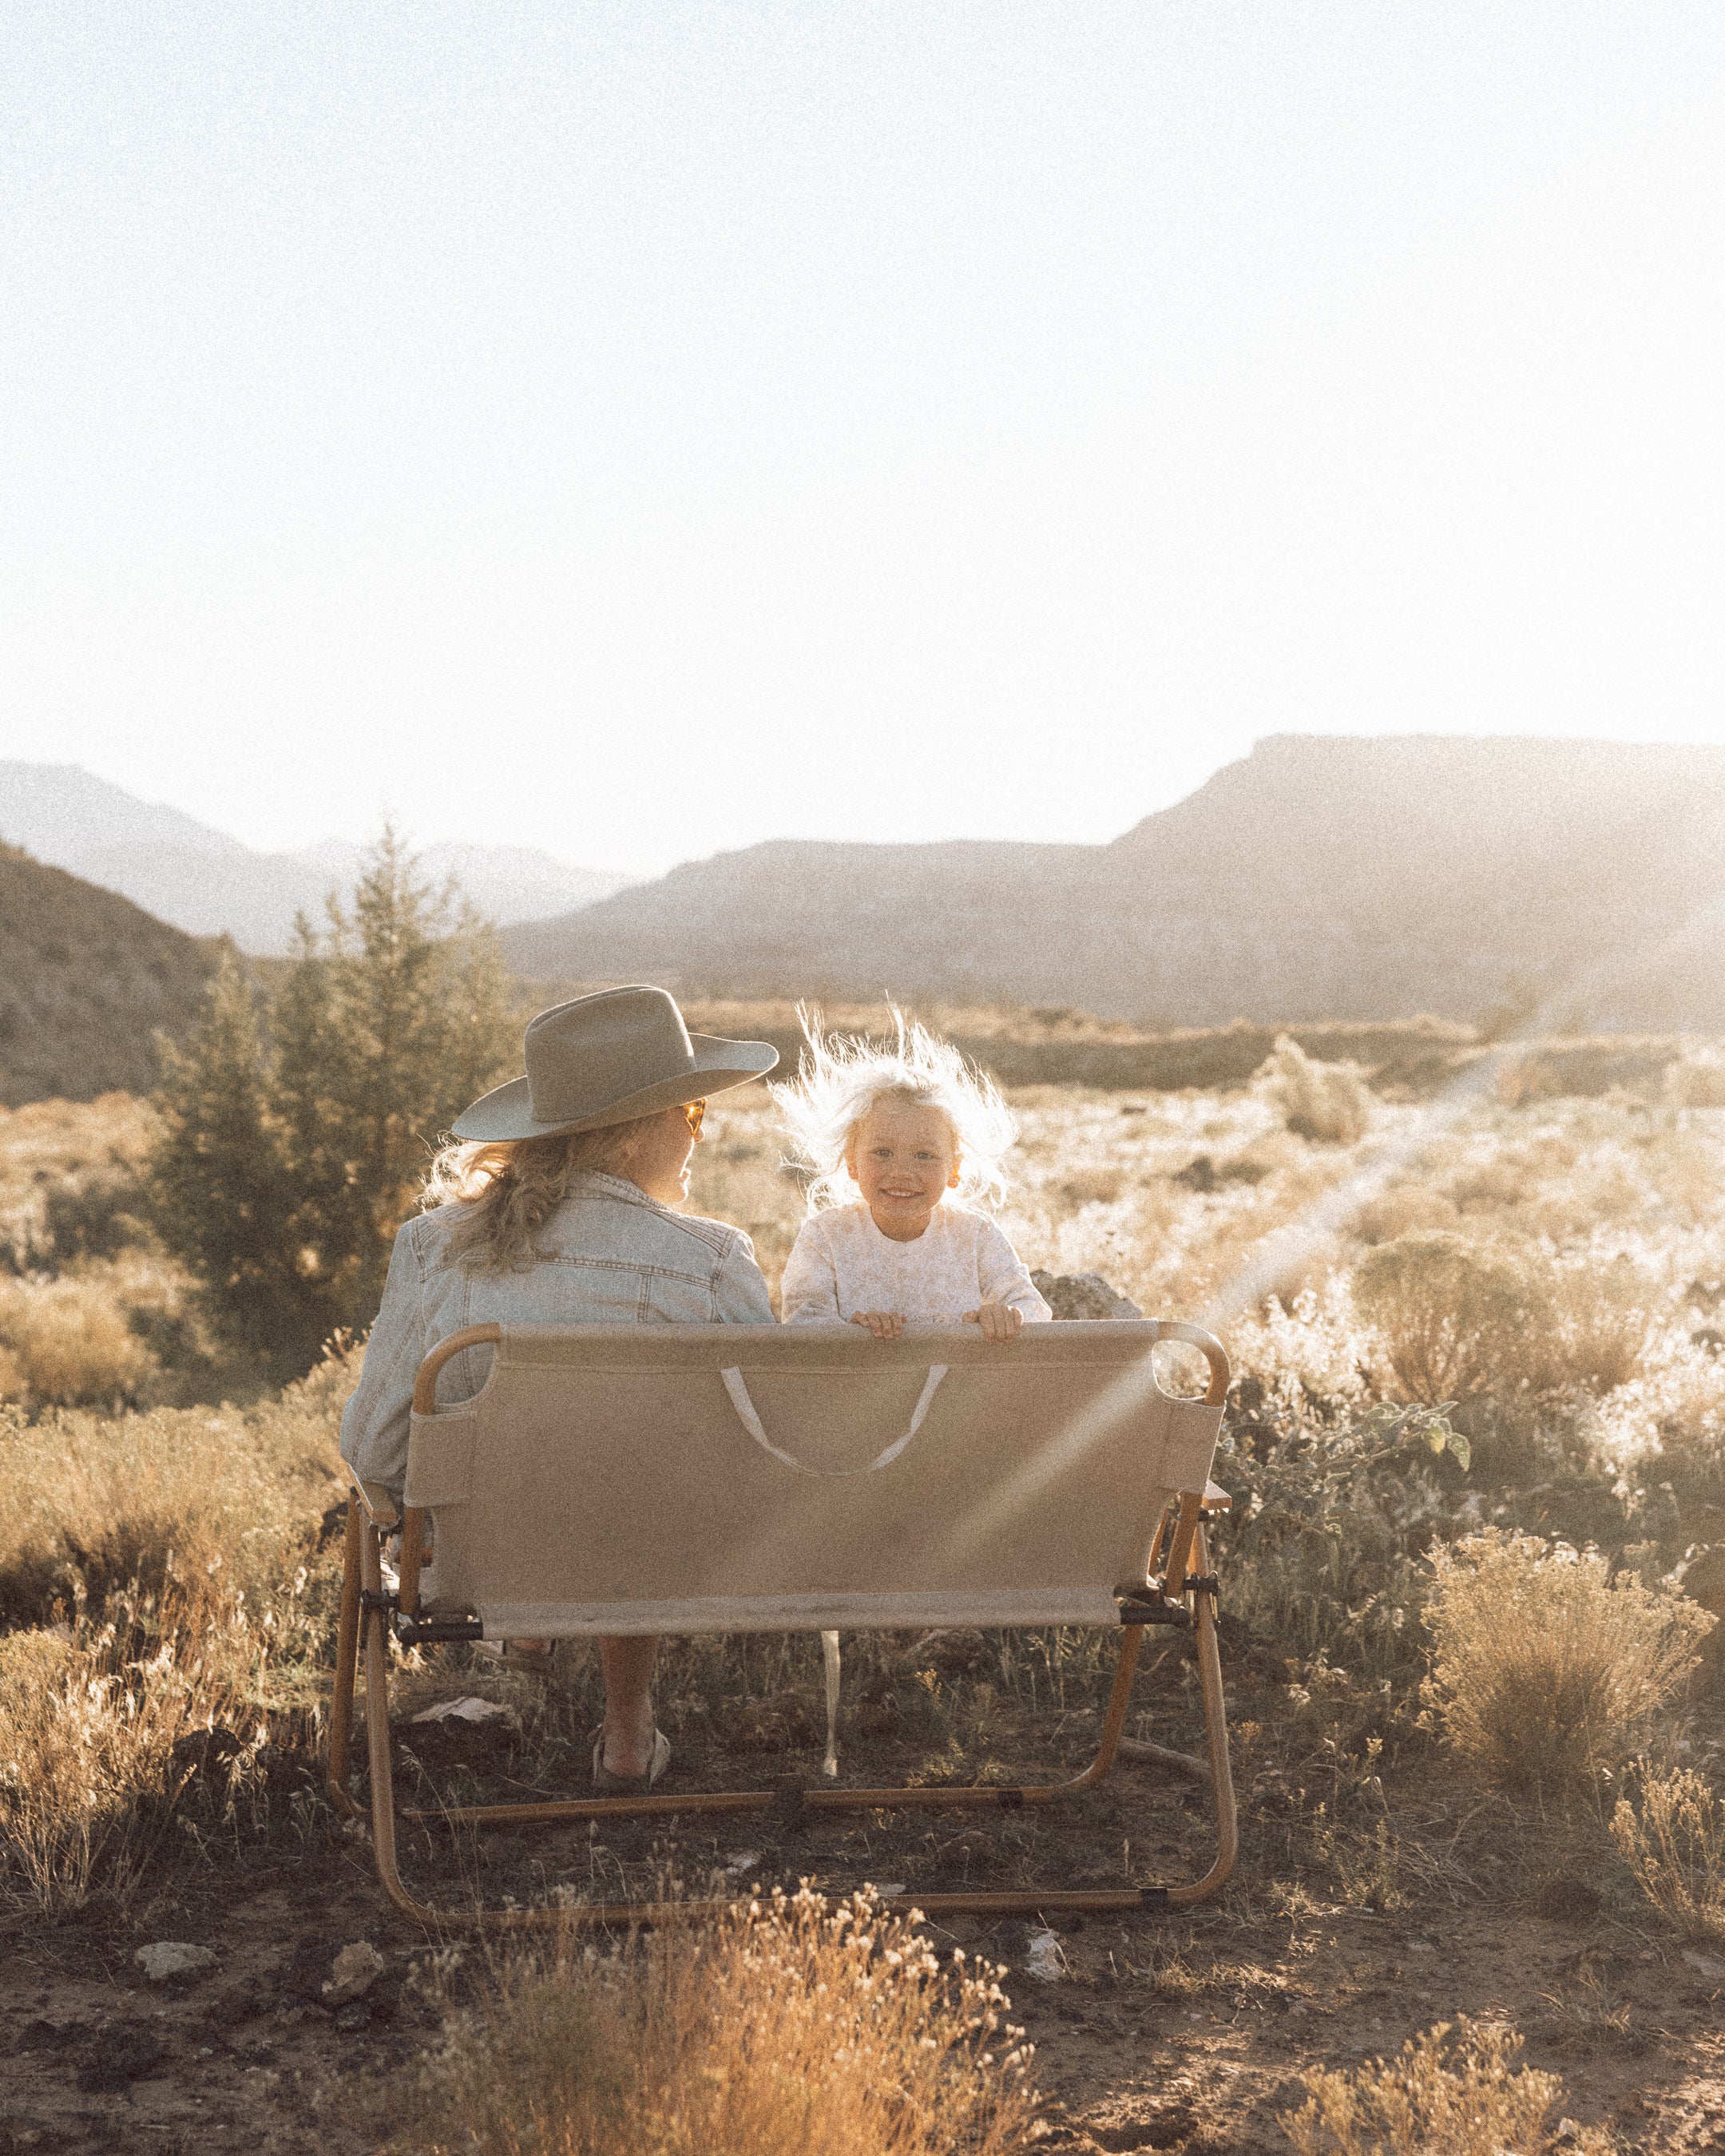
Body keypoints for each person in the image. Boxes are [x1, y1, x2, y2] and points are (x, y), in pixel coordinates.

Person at [339, 985, 778, 1789]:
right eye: (691, 1116)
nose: (697, 1137)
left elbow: (375, 1446)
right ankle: (625, 1730)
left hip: (485, 1559)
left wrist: (408, 1522)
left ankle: (533, 1623)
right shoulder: (712, 1257)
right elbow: (768, 1435)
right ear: (633, 1135)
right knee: (627, 1500)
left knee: (571, 1505)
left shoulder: (432, 1246)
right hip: (669, 1555)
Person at [773, 1011, 1050, 1337]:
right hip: (858, 1384)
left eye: (924, 1156)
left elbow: (1032, 1308)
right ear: (852, 1163)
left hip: (957, 1386)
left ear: (955, 1169)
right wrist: (855, 1332)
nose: (902, 1172)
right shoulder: (826, 1236)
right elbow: (803, 1322)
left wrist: (1006, 1316)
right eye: (882, 1153)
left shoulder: (975, 1235)